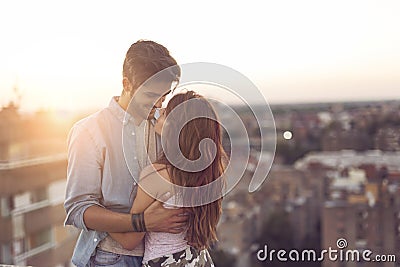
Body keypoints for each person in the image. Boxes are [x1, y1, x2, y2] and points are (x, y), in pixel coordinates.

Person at [64, 40, 187, 267]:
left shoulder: (165, 126)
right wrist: (142, 222)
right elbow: (78, 209)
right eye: (152, 95)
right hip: (110, 259)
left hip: (161, 257)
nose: (159, 104)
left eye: (164, 96)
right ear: (126, 84)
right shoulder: (89, 132)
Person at [109, 91, 226, 267]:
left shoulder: (157, 176)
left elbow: (129, 240)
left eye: (167, 111)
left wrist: (96, 215)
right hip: (198, 260)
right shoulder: (210, 173)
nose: (161, 110)